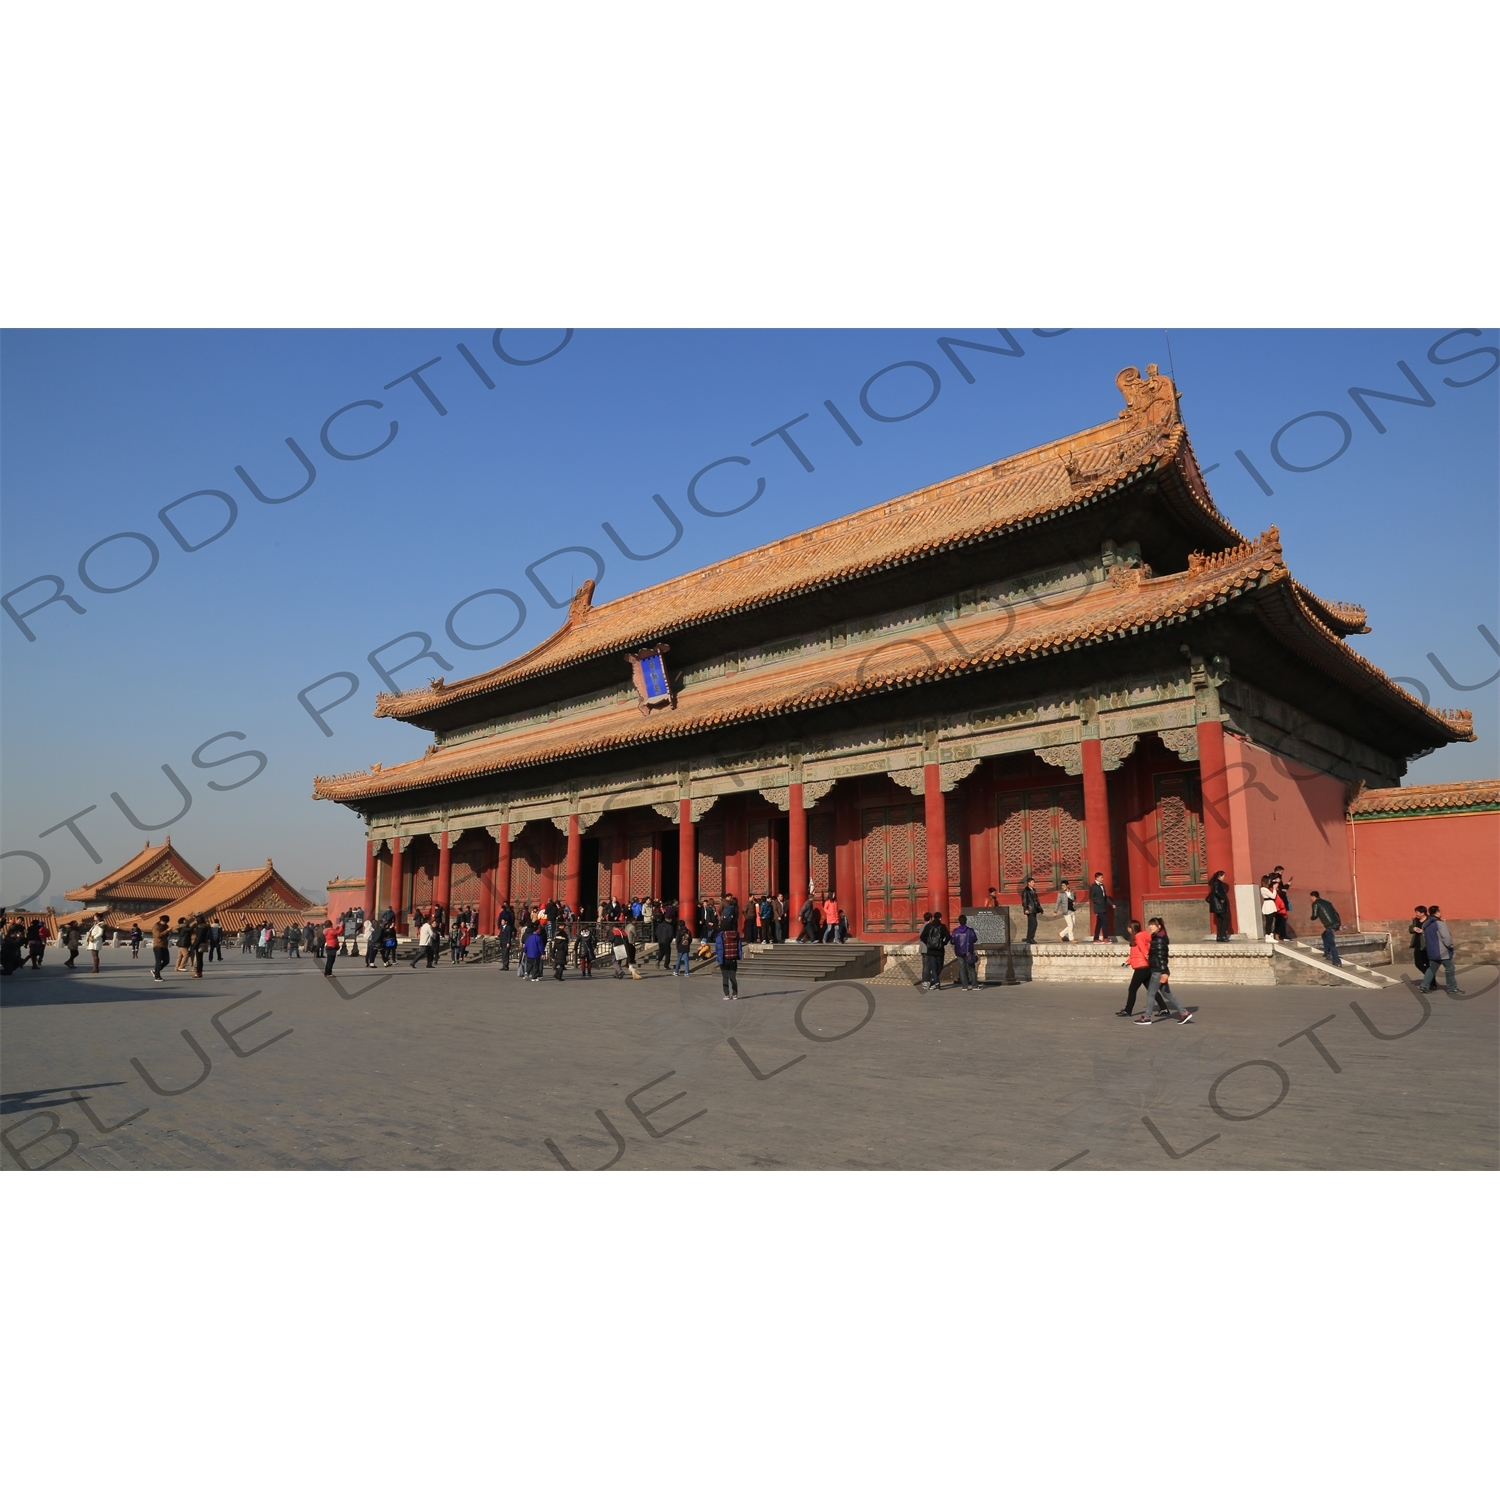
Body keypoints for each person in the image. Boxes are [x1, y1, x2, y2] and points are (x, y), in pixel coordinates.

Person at [1134, 918, 1193, 1023]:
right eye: (1150, 925)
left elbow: (1162, 957)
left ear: (1159, 926)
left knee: (1151, 994)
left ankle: (1146, 1017)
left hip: (1158, 971)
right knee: (1167, 993)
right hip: (1160, 970)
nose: (1150, 927)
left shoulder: (1159, 940)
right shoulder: (1157, 938)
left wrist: (1164, 972)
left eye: (1153, 925)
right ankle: (1184, 1013)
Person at [1116, 919, 1160, 1018]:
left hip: (1141, 967)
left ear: (1131, 928)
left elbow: (1143, 950)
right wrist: (1127, 962)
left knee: (1132, 989)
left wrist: (1147, 955)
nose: (1127, 929)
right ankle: (1164, 1008)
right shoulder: (1142, 936)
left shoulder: (1138, 937)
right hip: (1144, 965)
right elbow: (1135, 954)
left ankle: (1128, 1010)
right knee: (1151, 989)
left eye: (1128, 927)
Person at [1418, 905, 1463, 995]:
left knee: (1431, 968)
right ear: (1437, 912)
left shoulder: (1425, 924)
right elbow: (1446, 937)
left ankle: (1424, 986)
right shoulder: (1440, 923)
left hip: (1431, 951)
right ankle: (1452, 988)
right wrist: (1450, 946)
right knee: (1450, 968)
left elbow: (1424, 937)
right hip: (1442, 951)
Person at [1308, 891, 1342, 966]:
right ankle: (1327, 953)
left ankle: (1337, 961)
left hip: (1329, 925)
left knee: (1331, 943)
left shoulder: (1315, 904)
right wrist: (1339, 924)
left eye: (1310, 897)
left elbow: (1315, 915)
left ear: (1313, 897)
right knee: (1324, 935)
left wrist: (1311, 918)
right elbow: (1337, 914)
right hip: (1336, 923)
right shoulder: (1328, 902)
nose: (1310, 899)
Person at [919, 910, 949, 992]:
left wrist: (928, 943)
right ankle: (936, 983)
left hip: (931, 950)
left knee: (933, 967)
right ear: (940, 918)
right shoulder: (942, 926)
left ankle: (934, 982)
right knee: (940, 966)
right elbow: (948, 936)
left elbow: (922, 937)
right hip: (940, 950)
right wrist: (944, 943)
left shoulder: (929, 926)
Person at [951, 915, 978, 990]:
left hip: (959, 952)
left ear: (959, 922)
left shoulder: (955, 931)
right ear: (966, 921)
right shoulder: (970, 930)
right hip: (969, 952)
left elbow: (952, 941)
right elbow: (975, 939)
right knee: (971, 969)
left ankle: (964, 986)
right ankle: (974, 985)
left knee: (962, 969)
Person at [715, 922, 741, 998]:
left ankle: (726, 994)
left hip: (724, 959)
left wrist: (719, 957)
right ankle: (735, 994)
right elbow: (739, 947)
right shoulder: (736, 935)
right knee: (733, 977)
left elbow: (718, 948)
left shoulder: (721, 936)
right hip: (733, 959)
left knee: (725, 977)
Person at [1206, 870, 1231, 941]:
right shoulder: (1217, 883)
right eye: (1223, 876)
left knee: (1220, 920)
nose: (1224, 877)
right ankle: (1223, 935)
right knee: (1226, 918)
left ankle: (1219, 936)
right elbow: (1216, 892)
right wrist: (1222, 898)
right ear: (1219, 876)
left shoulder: (1215, 883)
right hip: (1219, 905)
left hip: (1216, 905)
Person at [1088, 873, 1111, 941]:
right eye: (1101, 877)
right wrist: (1098, 901)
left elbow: (1105, 896)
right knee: (1105, 921)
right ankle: (1105, 937)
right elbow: (1091, 896)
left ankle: (1096, 938)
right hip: (1098, 907)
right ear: (1097, 878)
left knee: (1099, 923)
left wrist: (1111, 904)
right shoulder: (1093, 886)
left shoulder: (1102, 886)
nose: (1102, 879)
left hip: (1103, 907)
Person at [1408, 906, 1429, 977]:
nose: (1416, 914)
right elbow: (1410, 929)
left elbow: (1433, 931)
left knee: (1428, 963)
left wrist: (1424, 932)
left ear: (1422, 913)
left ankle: (1431, 981)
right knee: (1418, 964)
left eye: (1417, 912)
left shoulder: (1429, 920)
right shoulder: (1415, 920)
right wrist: (1413, 928)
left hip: (1427, 945)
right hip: (1417, 944)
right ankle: (1429, 977)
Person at [150, 916, 171, 981]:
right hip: (158, 946)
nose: (165, 923)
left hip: (164, 945)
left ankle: (155, 971)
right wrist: (167, 931)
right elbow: (158, 936)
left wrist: (169, 932)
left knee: (166, 961)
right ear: (160, 920)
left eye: (166, 922)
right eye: (164, 922)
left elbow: (166, 934)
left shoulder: (166, 926)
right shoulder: (156, 927)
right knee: (158, 962)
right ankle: (157, 977)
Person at [1020, 879, 1041, 944]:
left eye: (1034, 882)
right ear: (1029, 883)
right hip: (1029, 909)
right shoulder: (1026, 891)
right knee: (1034, 924)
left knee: (1032, 924)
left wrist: (1040, 908)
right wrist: (1026, 909)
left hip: (1034, 909)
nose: (1034, 883)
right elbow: (1024, 901)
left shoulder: (1033, 890)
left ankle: (1029, 938)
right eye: (1032, 882)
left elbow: (1036, 901)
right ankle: (1030, 938)